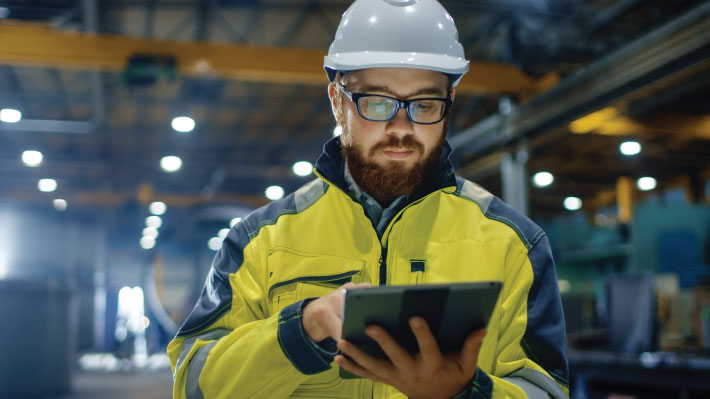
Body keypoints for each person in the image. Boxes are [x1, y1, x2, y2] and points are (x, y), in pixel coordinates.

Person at [167, 0, 569, 397]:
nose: (401, 127)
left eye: (424, 104)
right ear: (337, 100)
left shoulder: (515, 245)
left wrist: (464, 393)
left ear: (449, 105)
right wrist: (299, 332)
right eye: (377, 102)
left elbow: (545, 391)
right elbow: (194, 385)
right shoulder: (260, 241)